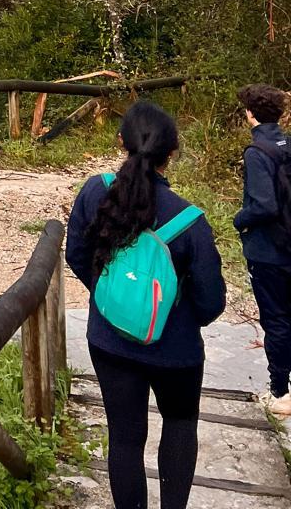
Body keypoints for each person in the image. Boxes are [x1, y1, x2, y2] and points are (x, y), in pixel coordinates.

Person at [67, 101, 226, 509]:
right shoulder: (190, 222)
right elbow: (211, 303)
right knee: (179, 424)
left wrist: (112, 300)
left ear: (121, 140)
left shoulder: (95, 192)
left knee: (124, 436)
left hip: (109, 341)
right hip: (174, 351)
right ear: (171, 153)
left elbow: (77, 255)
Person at [234, 84, 291, 418]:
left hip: (269, 251)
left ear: (250, 114)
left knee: (276, 319)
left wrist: (240, 219)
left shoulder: (257, 152)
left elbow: (264, 205)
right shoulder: (287, 144)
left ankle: (280, 392)